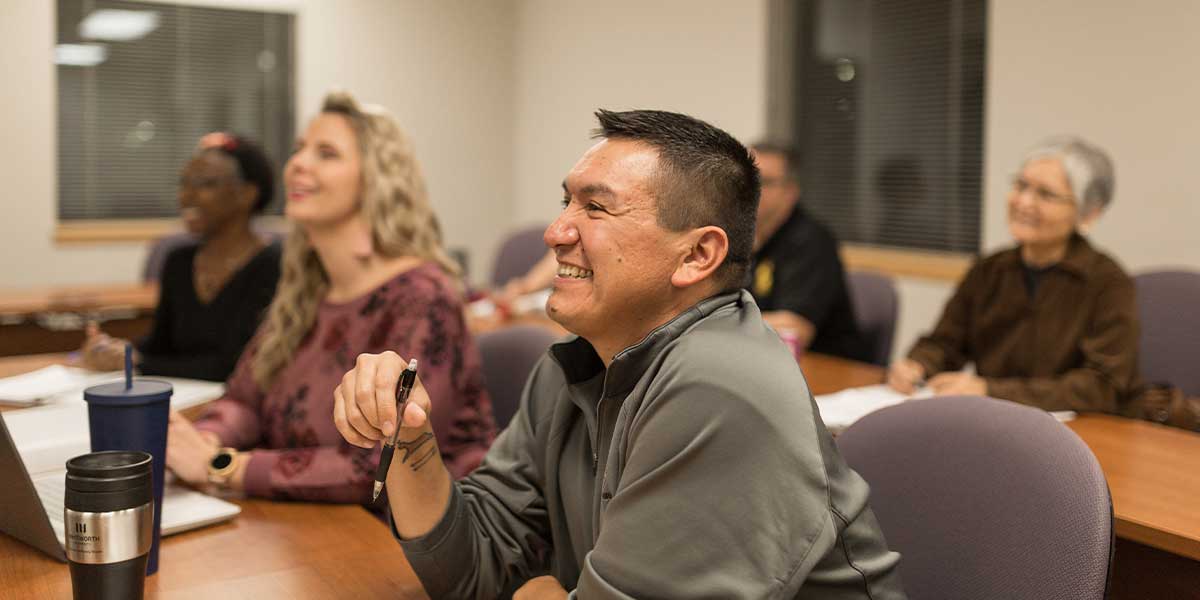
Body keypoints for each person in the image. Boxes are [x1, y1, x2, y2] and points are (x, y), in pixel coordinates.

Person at [335, 110, 906, 598]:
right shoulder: (578, 362)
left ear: (697, 255)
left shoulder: (719, 388)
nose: (556, 231)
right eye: (566, 203)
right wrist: (408, 435)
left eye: (596, 208)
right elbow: (472, 570)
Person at [164, 91, 496, 505]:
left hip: (407, 535)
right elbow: (245, 400)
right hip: (302, 519)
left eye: (327, 153)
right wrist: (201, 440)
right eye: (300, 149)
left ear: (377, 178)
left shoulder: (423, 296)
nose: (298, 164)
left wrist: (223, 467)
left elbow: (381, 465)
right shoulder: (308, 287)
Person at [888, 136, 1137, 413]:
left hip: (1074, 434)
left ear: (1088, 213)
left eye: (1045, 194)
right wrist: (918, 365)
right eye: (1021, 185)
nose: (1023, 202)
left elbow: (1102, 387)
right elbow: (945, 343)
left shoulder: (1107, 282)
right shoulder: (989, 269)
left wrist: (989, 391)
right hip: (991, 420)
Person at [80, 133, 281, 382]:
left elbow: (235, 366)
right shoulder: (178, 261)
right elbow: (162, 344)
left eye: (205, 184)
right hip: (183, 401)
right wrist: (119, 351)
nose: (187, 196)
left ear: (247, 194)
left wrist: (141, 362)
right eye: (184, 183)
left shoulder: (276, 263)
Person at [748, 142, 870, 362]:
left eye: (764, 182)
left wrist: (721, 323)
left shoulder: (812, 241)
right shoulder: (739, 237)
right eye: (746, 179)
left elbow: (794, 328)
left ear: (790, 192)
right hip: (763, 359)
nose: (751, 189)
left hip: (828, 368)